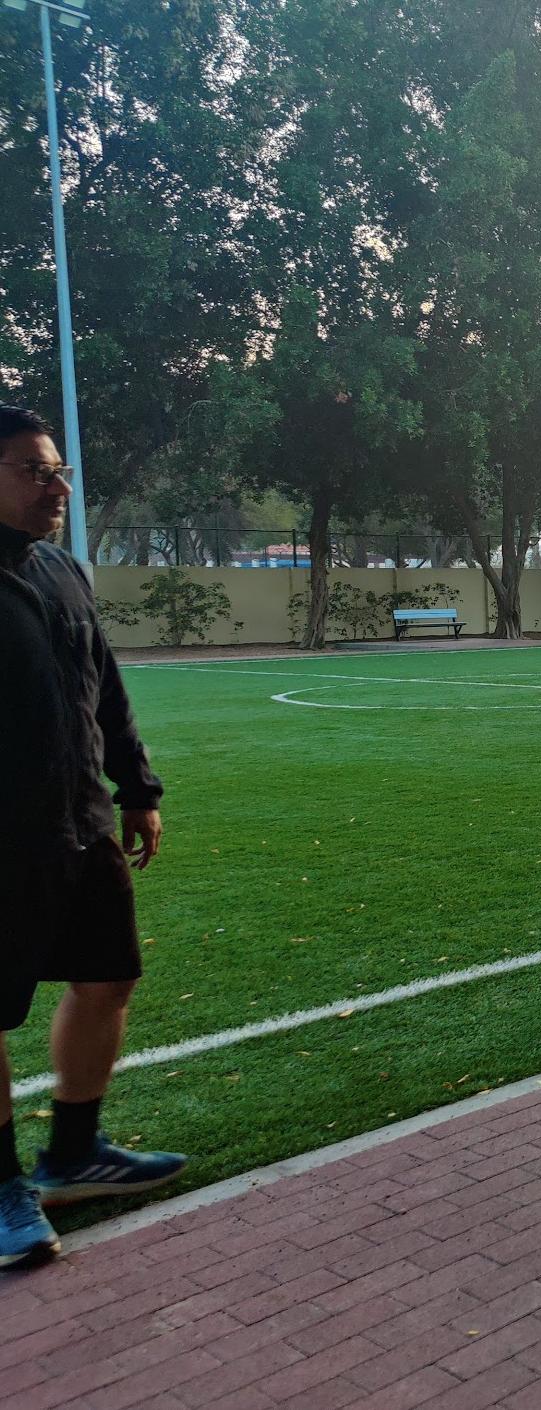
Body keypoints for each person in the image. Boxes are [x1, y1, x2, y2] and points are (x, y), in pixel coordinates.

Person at [0, 405, 184, 1270]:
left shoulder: (64, 573)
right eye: (36, 472)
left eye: (59, 471)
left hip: (81, 822)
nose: (58, 486)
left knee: (108, 979)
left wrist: (137, 789)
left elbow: (103, 688)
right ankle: (3, 1192)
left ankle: (74, 1152)